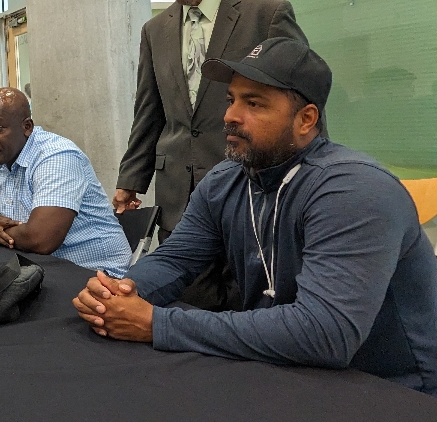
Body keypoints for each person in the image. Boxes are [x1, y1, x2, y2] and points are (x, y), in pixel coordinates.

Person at [75, 38, 437, 395]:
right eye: (231, 99)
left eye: (254, 103)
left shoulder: (354, 190)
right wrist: (121, 292)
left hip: (389, 390)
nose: (230, 115)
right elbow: (174, 261)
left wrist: (157, 324)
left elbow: (325, 333)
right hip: (282, 368)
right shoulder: (226, 180)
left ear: (306, 119)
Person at [113, 0, 308, 309]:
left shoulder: (266, 13)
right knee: (189, 298)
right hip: (177, 194)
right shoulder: (156, 31)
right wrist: (130, 179)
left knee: (251, 298)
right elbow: (149, 112)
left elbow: (302, 100)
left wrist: (309, 181)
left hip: (248, 184)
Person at [0, 88, 132, 277]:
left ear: (27, 127)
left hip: (96, 273)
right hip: (35, 266)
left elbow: (41, 240)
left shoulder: (57, 157)